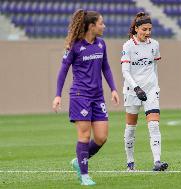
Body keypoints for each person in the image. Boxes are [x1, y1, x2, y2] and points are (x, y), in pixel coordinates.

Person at [52, 9, 119, 186]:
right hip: (80, 96)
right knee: (84, 135)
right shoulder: (74, 46)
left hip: (98, 97)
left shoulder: (101, 44)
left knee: (101, 137)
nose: (104, 26)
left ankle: (78, 161)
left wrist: (113, 89)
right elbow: (63, 71)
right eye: (101, 23)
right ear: (91, 26)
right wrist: (57, 95)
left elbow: (106, 67)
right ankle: (84, 175)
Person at [121, 12, 168, 171]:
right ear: (136, 29)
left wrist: (154, 85)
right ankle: (130, 163)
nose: (147, 32)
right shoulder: (128, 46)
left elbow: (154, 66)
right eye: (144, 29)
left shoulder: (154, 45)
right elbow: (125, 71)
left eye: (150, 29)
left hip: (151, 89)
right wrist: (136, 87)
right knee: (131, 128)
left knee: (154, 125)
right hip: (132, 91)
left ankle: (157, 162)